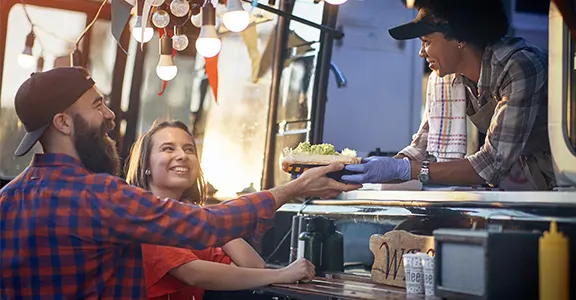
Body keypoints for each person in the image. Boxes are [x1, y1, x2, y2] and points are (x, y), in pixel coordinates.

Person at [0, 67, 361, 299]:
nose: (109, 114)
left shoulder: (6, 199)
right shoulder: (99, 195)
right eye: (97, 106)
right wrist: (294, 188)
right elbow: (208, 228)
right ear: (63, 123)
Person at [341, 0, 555, 191]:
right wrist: (369, 168)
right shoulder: (447, 78)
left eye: (426, 41)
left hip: (573, 168)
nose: (421, 52)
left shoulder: (518, 66)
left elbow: (492, 165)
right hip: (540, 176)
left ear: (459, 37)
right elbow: (421, 150)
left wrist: (403, 170)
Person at [126, 120, 315, 299]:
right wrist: (281, 275)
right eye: (168, 148)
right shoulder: (144, 214)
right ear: (146, 165)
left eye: (189, 149)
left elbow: (254, 266)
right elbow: (193, 273)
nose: (182, 156)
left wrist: (206, 218)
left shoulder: (190, 222)